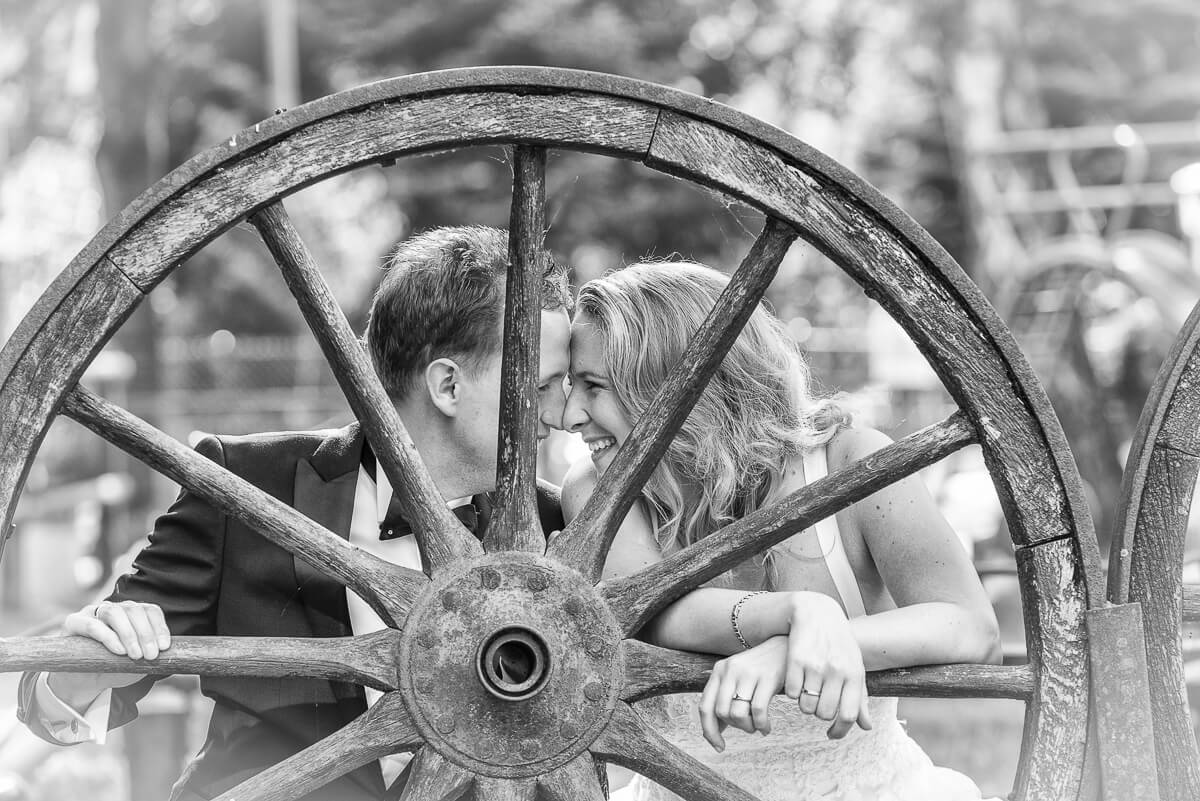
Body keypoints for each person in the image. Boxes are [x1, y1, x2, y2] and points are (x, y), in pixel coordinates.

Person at [16, 226, 574, 801]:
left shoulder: (557, 531)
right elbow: (47, 702)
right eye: (542, 387)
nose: (562, 413)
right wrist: (96, 662)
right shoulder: (245, 486)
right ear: (448, 385)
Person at [562, 261, 1003, 801]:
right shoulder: (595, 492)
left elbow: (972, 628)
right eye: (571, 385)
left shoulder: (849, 465)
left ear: (673, 387)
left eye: (593, 386)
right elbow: (654, 615)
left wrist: (793, 650)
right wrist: (798, 613)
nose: (570, 415)